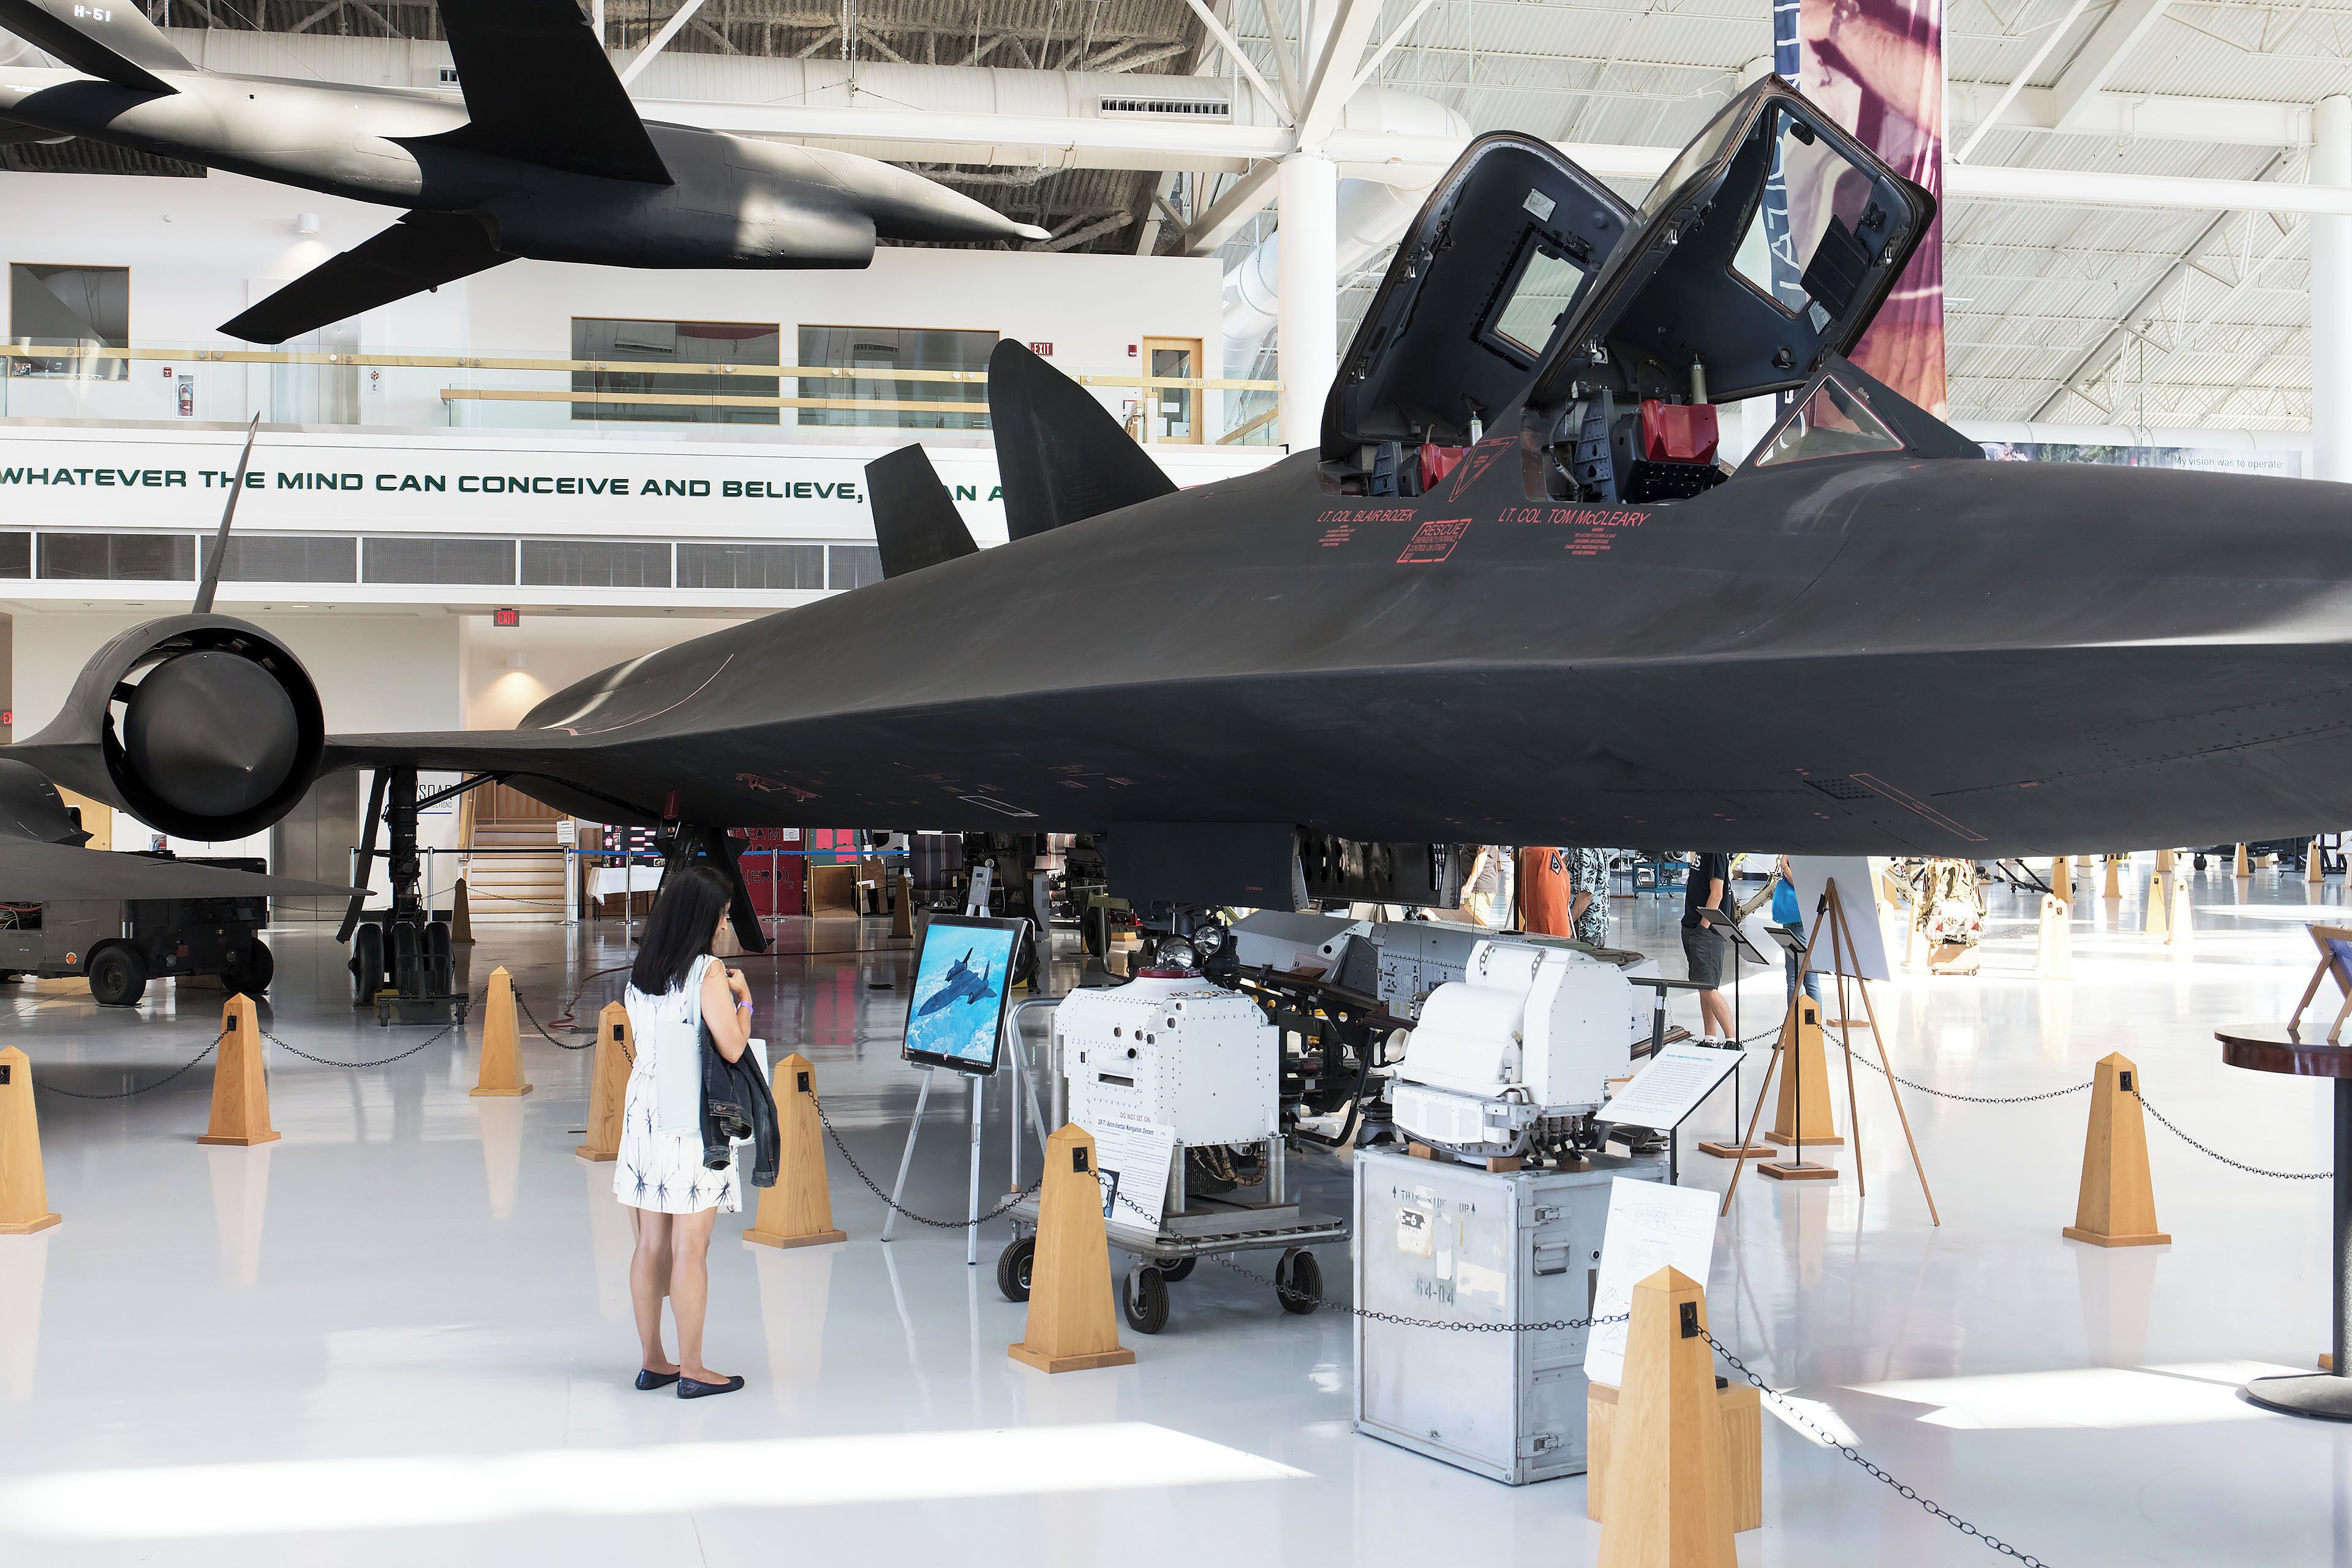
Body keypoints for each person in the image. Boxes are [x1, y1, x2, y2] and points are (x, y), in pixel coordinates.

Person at [616, 862, 755, 1400]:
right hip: (690, 1113)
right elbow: (733, 1047)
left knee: (651, 1244)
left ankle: (654, 1361)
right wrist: (745, 1001)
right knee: (691, 1248)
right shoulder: (707, 972)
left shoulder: (644, 967)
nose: (724, 924)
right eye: (722, 915)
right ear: (705, 917)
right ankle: (694, 1369)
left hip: (644, 1108)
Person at [1681, 850, 1736, 1043]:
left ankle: (1732, 1039)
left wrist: (1703, 928)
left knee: (1708, 988)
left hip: (1707, 932)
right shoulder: (1702, 850)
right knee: (1703, 986)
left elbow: (1717, 893)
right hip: (1693, 927)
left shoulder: (1715, 852)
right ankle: (1710, 1037)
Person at [1771, 855, 1822, 1005]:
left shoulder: (1796, 852)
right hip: (1808, 918)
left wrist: (1784, 865)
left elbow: (1797, 882)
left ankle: (1796, 1019)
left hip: (1796, 922)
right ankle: (1815, 1019)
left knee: (1795, 978)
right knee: (1811, 977)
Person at [1569, 846, 1610, 948]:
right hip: (1596, 925)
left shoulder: (1583, 851)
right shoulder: (1597, 846)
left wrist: (1569, 922)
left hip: (1584, 927)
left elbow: (1586, 894)